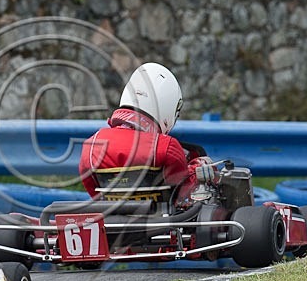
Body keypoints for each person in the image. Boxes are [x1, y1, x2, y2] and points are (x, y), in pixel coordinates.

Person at [79, 62, 216, 208]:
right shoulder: (167, 147)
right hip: (161, 220)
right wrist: (199, 167)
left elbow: (97, 197)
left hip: (113, 219)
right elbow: (183, 194)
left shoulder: (91, 147)